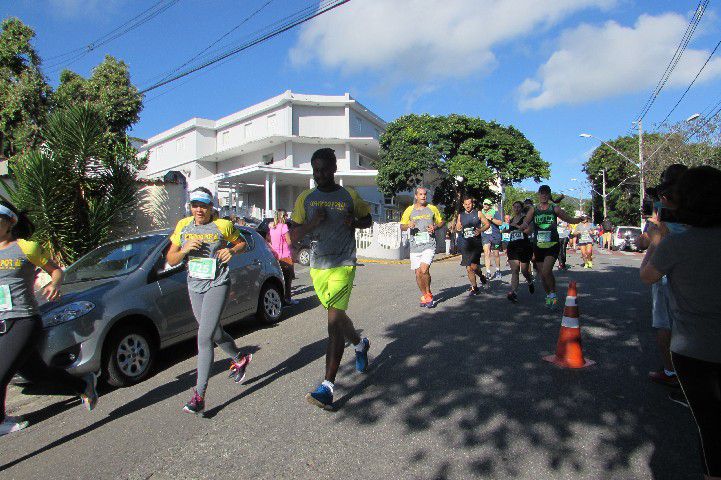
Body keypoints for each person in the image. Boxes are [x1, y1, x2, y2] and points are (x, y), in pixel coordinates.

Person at [639, 166, 721, 480]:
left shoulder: (677, 243)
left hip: (695, 349)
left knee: (711, 427)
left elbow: (646, 276)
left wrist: (657, 240)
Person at [0, 201, 98, 436]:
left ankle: (1, 420)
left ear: (9, 223)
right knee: (37, 374)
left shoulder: (26, 248)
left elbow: (56, 270)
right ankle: (83, 384)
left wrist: (55, 283)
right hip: (1, 321)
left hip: (24, 320)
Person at [289, 148, 372, 410]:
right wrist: (312, 224)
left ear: (334, 169)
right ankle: (360, 344)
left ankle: (327, 387)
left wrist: (354, 223)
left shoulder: (349, 195)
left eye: (324, 169)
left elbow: (367, 219)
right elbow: (292, 237)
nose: (319, 175)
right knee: (338, 319)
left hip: (343, 265)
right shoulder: (306, 198)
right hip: (318, 267)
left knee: (333, 324)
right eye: (315, 170)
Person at [166, 187, 253, 415]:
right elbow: (171, 258)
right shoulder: (183, 226)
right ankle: (240, 358)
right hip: (194, 286)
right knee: (213, 333)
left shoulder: (223, 225)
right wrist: (184, 250)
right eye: (195, 205)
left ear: (211, 207)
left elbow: (243, 243)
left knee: (203, 337)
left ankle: (199, 395)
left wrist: (232, 251)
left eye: (203, 205)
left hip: (218, 283)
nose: (199, 210)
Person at [638, 164, 689, 387]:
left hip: (665, 271)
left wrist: (652, 228)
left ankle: (671, 372)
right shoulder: (705, 210)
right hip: (697, 272)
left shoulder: (661, 212)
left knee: (665, 323)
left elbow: (645, 244)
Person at [521, 185, 585, 308]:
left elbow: (568, 219)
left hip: (552, 244)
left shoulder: (554, 208)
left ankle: (553, 294)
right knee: (542, 275)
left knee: (546, 271)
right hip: (538, 246)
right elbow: (526, 222)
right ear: (539, 195)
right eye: (542, 193)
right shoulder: (534, 209)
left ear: (549, 195)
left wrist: (578, 220)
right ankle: (549, 294)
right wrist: (517, 228)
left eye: (546, 193)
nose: (544, 196)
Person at [400, 187, 444, 308]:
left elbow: (441, 222)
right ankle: (425, 295)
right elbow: (401, 226)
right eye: (420, 194)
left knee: (424, 269)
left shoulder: (432, 208)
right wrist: (408, 225)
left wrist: (435, 226)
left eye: (425, 194)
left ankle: (428, 294)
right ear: (416, 196)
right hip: (415, 246)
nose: (423, 196)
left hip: (429, 244)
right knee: (418, 273)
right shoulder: (409, 210)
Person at [455, 197, 490, 295]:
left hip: (475, 243)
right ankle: (475, 287)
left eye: (469, 204)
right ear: (463, 205)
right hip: (465, 244)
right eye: (465, 204)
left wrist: (480, 230)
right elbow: (457, 227)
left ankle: (482, 277)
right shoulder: (460, 215)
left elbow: (487, 224)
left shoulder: (478, 213)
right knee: (468, 268)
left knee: (474, 266)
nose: (467, 206)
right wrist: (458, 227)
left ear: (472, 204)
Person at [506, 201, 535, 303]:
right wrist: (505, 229)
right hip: (512, 246)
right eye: (515, 207)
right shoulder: (512, 220)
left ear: (522, 208)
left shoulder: (525, 219)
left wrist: (518, 228)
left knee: (524, 270)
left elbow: (529, 230)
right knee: (514, 270)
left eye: (518, 207)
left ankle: (530, 281)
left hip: (524, 246)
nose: (516, 209)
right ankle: (514, 292)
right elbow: (510, 232)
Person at [267, 209, 297, 305]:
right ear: (282, 216)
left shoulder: (272, 227)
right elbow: (289, 242)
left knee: (281, 278)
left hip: (276, 256)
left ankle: (281, 299)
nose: (286, 217)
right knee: (288, 279)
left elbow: (270, 241)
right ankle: (288, 299)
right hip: (285, 255)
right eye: (285, 216)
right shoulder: (283, 227)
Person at [480, 199, 504, 280]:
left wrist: (491, 219)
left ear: (490, 205)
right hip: (485, 235)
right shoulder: (480, 213)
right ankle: (488, 272)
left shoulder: (494, 212)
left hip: (495, 235)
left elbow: (500, 223)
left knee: (496, 254)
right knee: (486, 253)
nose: (486, 205)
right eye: (484, 203)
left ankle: (498, 270)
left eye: (487, 204)